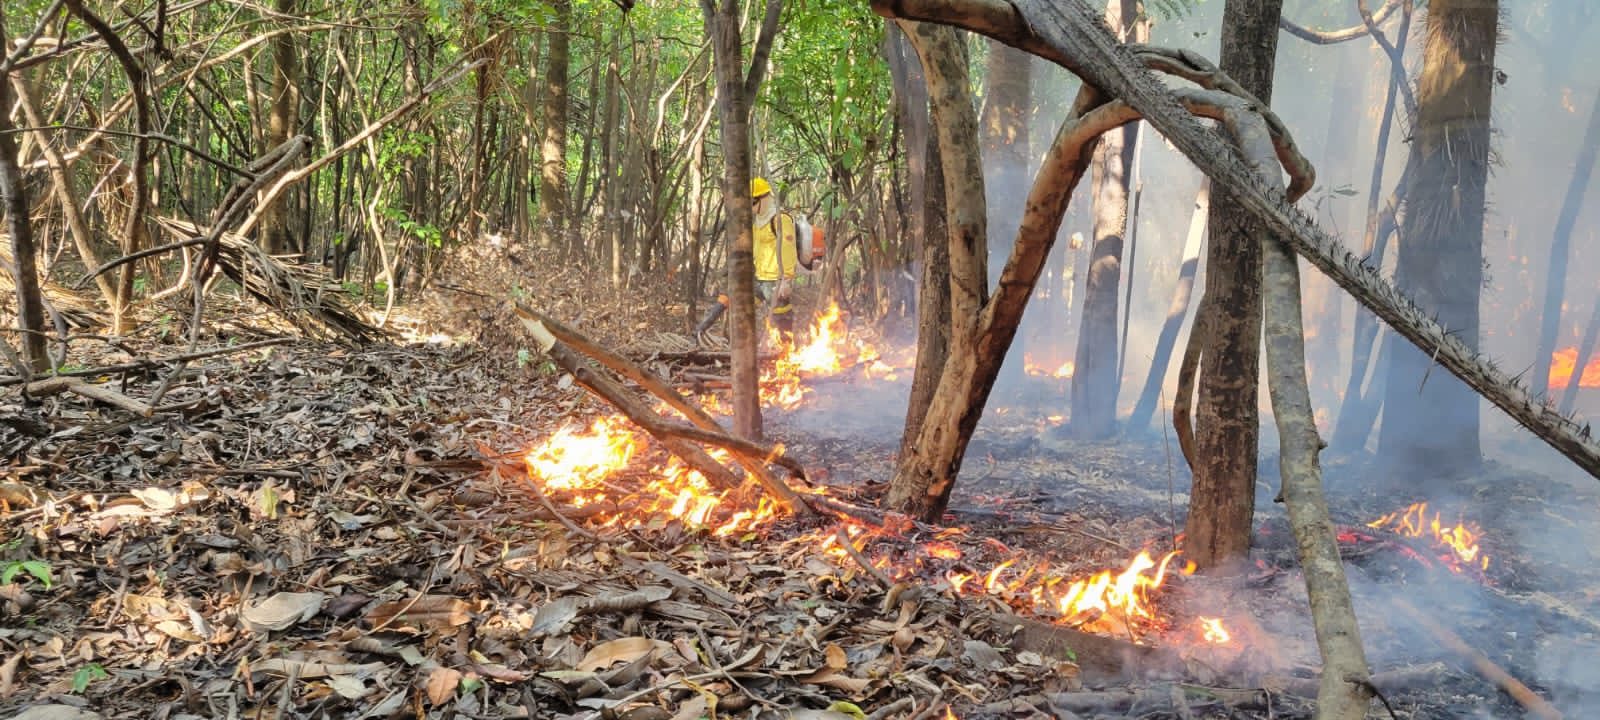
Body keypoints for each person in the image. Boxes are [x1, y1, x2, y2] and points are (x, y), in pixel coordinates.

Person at [751, 177, 799, 340]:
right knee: (745, 309)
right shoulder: (758, 223)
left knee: (782, 318)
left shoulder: (780, 219)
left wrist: (787, 279)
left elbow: (788, 249)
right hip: (759, 278)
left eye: (753, 202)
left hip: (775, 280)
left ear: (763, 199)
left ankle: (787, 353)